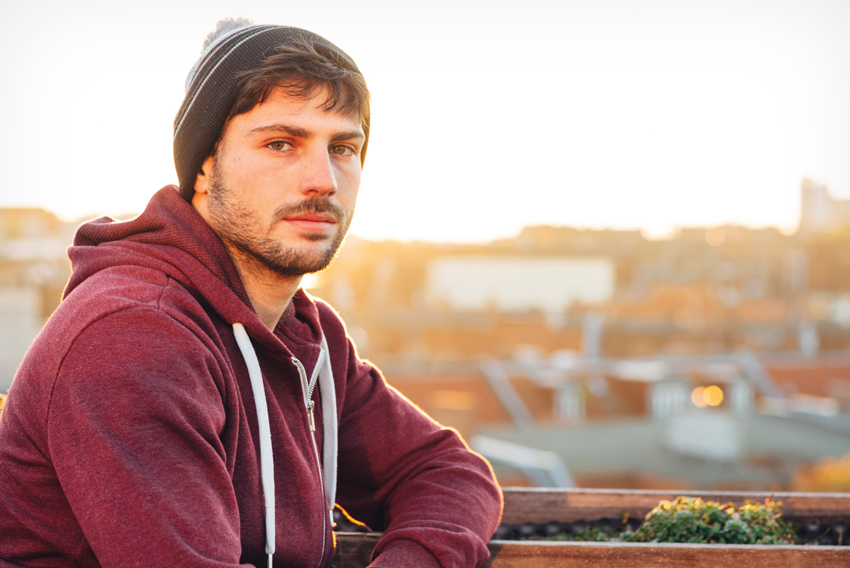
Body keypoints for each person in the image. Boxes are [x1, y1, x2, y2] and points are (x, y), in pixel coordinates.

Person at [0, 19, 502, 568]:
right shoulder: (132, 336)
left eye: (343, 147)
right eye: (281, 143)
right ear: (204, 167)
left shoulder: (306, 335)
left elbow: (449, 473)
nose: (323, 180)